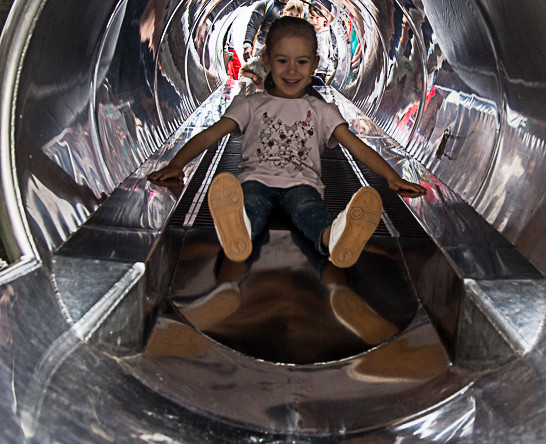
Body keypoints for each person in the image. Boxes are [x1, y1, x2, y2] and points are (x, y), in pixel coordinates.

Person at [149, 16, 426, 269]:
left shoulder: (322, 111)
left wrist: (392, 177)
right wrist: (177, 164)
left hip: (302, 184)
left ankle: (336, 235)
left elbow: (357, 147)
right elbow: (211, 134)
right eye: (282, 61)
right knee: (251, 205)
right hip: (256, 179)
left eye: (301, 62)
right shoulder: (250, 104)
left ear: (314, 64)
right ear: (267, 60)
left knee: (311, 213)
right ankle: (238, 230)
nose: (292, 70)